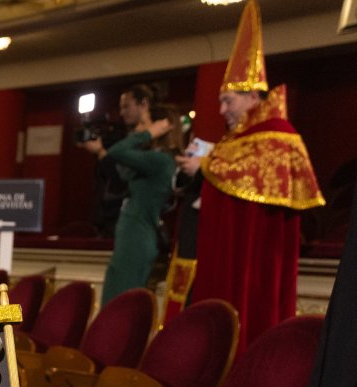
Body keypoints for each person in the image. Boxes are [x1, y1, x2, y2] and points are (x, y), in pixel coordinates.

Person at [175, 0, 323, 350]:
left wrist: (206, 166)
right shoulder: (239, 139)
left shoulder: (278, 134)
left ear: (253, 95)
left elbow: (251, 177)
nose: (223, 111)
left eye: (229, 101)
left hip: (253, 265)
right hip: (221, 253)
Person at [84, 104, 181, 303]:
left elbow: (116, 151)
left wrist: (146, 135)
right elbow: (120, 168)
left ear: (160, 127)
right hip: (130, 235)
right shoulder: (149, 159)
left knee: (119, 306)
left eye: (144, 123)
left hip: (137, 238)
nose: (138, 128)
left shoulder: (161, 160)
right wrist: (143, 137)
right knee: (113, 302)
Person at [81, 84, 158, 238]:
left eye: (126, 107)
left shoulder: (153, 140)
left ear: (144, 104)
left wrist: (101, 152)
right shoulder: (126, 137)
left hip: (134, 218)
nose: (122, 113)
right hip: (112, 214)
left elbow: (122, 176)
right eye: (120, 108)